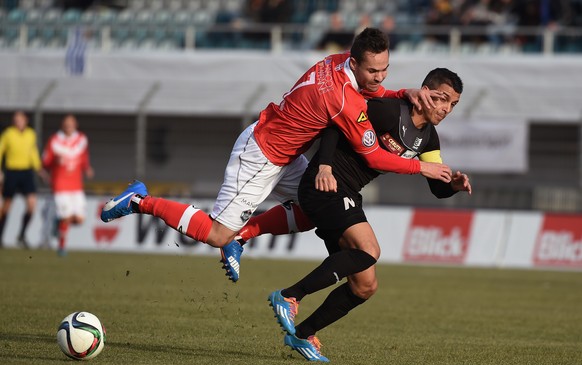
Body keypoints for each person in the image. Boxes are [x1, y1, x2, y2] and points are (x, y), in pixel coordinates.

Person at [100, 28, 452, 281]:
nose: (378, 77)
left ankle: (244, 237)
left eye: (384, 70)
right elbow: (375, 158)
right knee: (216, 234)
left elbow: (369, 92)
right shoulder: (346, 100)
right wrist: (420, 168)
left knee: (314, 206)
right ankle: (139, 200)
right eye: (372, 71)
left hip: (285, 153)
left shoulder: (336, 60)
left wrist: (398, 91)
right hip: (262, 156)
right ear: (356, 64)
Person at [260, 68, 471, 361]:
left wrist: (455, 188)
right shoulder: (389, 111)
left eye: (453, 104)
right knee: (369, 249)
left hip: (347, 193)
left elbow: (438, 187)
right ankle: (289, 295)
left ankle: (302, 334)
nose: (446, 108)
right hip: (326, 183)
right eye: (442, 98)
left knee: (364, 286)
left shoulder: (429, 140)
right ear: (425, 91)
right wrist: (323, 166)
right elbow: (335, 124)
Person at [42, 114, 93, 256]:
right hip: (60, 184)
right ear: (62, 125)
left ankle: (57, 223)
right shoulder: (55, 141)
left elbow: (83, 157)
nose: (68, 126)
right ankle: (62, 247)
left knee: (79, 219)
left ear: (75, 125)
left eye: (71, 123)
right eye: (66, 123)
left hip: (76, 185)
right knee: (66, 216)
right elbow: (45, 161)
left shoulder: (81, 139)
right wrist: (52, 164)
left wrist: (87, 168)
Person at [0, 111, 43, 248]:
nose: (18, 121)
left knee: (31, 205)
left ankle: (22, 235)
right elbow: (0, 150)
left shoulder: (31, 134)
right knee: (6, 206)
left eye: (20, 119)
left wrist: (39, 168)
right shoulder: (8, 133)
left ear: (26, 120)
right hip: (11, 172)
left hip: (26, 172)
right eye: (16, 119)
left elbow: (33, 152)